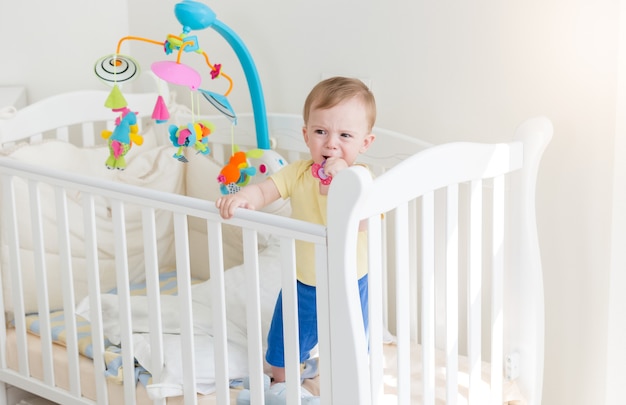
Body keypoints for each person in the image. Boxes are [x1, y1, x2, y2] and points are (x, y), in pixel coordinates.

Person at [216, 76, 376, 404]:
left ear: (365, 143)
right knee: (285, 340)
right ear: (306, 135)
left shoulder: (361, 179)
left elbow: (364, 222)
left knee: (354, 343)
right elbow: (265, 189)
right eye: (321, 132)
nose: (331, 144)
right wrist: (244, 197)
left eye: (345, 135)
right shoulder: (298, 173)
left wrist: (344, 183)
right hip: (306, 279)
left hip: (351, 279)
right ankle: (283, 385)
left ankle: (351, 385)